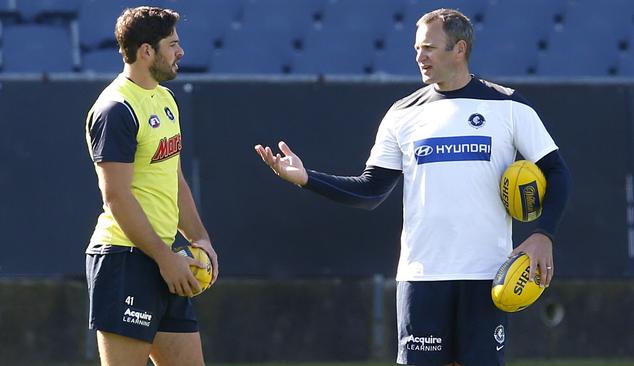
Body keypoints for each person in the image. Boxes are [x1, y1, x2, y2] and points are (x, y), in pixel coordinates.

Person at [255, 8, 571, 366]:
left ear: (460, 49)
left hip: (486, 275)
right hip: (422, 277)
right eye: (417, 48)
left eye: (429, 48)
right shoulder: (402, 114)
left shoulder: (509, 106)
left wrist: (543, 234)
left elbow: (557, 172)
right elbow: (370, 190)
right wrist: (307, 178)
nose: (419, 57)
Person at [84, 7, 218, 366]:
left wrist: (199, 238)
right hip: (125, 260)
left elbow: (175, 178)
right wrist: (165, 259)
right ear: (147, 51)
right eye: (173, 44)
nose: (181, 51)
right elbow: (116, 197)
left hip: (166, 259)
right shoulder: (116, 108)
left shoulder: (165, 99)